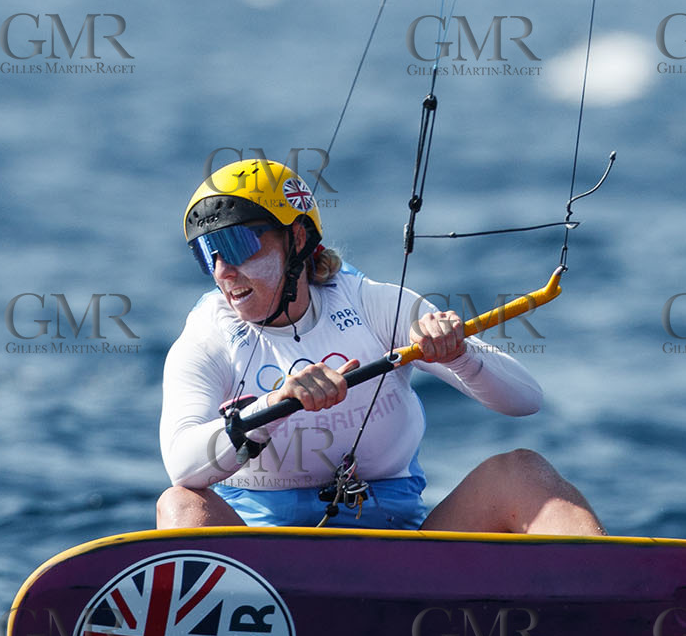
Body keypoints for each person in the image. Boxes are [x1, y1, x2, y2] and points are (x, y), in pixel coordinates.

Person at [157, 157, 606, 536]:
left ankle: (615, 602)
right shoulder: (208, 336)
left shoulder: (374, 304)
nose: (223, 271)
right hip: (265, 564)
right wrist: (274, 406)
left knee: (522, 471)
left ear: (296, 239)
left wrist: (459, 355)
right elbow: (183, 467)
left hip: (397, 550)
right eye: (207, 253)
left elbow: (526, 401)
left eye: (236, 244)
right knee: (180, 506)